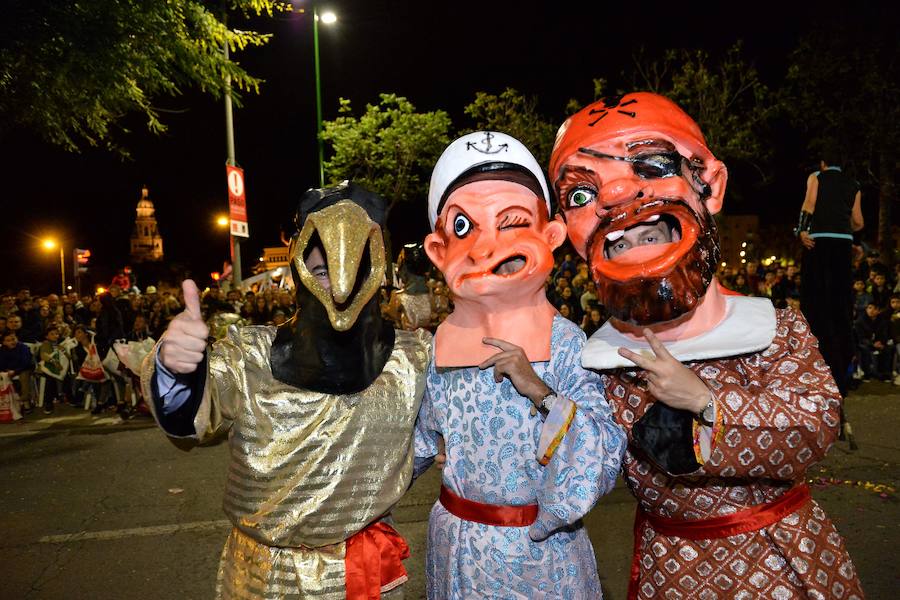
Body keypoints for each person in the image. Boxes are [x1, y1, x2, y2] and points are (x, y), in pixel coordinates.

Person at [549, 92, 863, 599]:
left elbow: (817, 423)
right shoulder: (598, 359)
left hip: (778, 560)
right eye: (582, 195)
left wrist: (703, 399)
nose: (617, 194)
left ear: (710, 184)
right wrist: (543, 399)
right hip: (668, 568)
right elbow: (590, 468)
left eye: (651, 164)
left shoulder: (773, 328)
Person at [141, 182, 430, 598]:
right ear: (298, 269)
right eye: (321, 270)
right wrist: (177, 370)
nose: (339, 287)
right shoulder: (247, 359)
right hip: (263, 578)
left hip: (363, 573)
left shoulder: (413, 359)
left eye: (353, 268)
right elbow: (188, 423)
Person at [416, 131, 625, 597]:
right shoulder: (435, 348)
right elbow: (412, 447)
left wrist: (543, 393)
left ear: (550, 237)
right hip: (459, 553)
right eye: (465, 227)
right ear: (438, 250)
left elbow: (605, 454)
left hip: (542, 557)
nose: (489, 246)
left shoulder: (567, 343)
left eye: (511, 223)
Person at [795, 155, 864, 403]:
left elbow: (809, 205)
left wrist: (801, 230)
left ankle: (814, 367)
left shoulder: (816, 178)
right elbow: (858, 221)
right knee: (841, 306)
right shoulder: (853, 184)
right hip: (842, 246)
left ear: (823, 163)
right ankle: (843, 369)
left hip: (819, 244)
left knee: (816, 303)